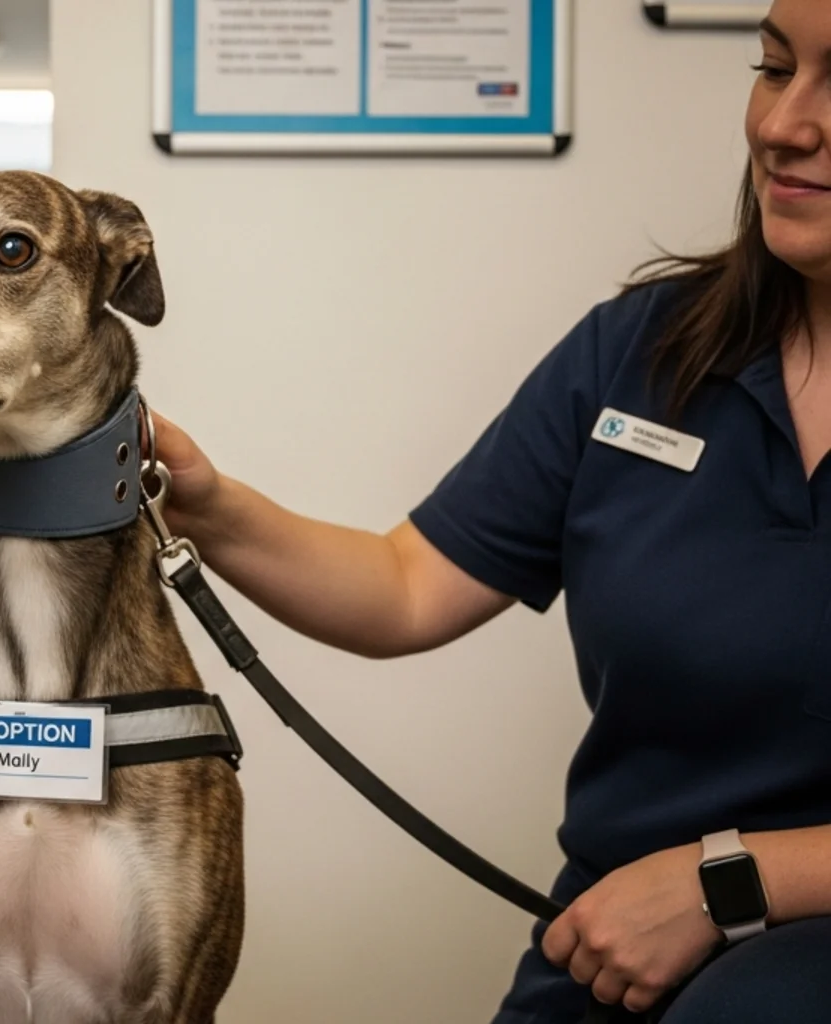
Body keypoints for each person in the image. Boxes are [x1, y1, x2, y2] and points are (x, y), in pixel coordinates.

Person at [152, 3, 831, 1021]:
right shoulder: (644, 352)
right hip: (612, 941)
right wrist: (202, 504)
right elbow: (408, 586)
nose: (785, 122)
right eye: (774, 67)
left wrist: (726, 885)